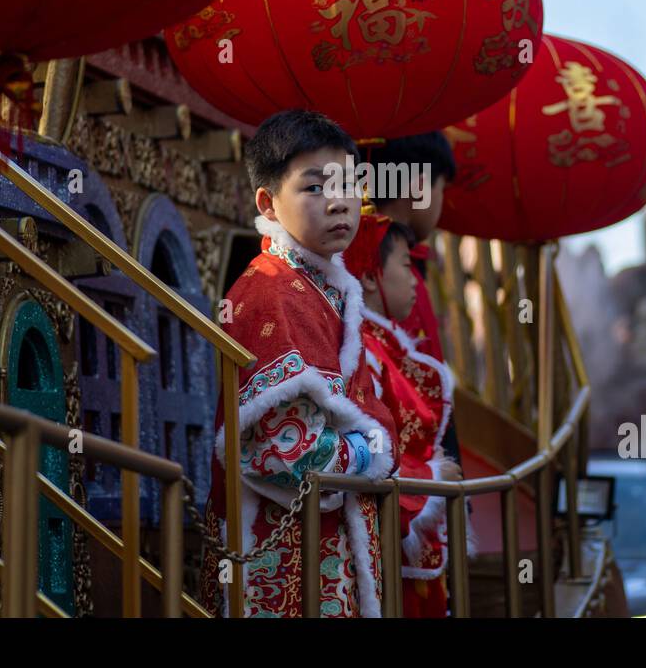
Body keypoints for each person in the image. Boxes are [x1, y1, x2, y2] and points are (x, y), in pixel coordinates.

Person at [198, 110, 398, 618]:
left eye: (349, 184)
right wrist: (371, 448)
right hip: (282, 552)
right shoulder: (270, 291)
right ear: (268, 201)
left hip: (327, 544)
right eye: (314, 187)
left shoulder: (321, 286)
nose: (339, 202)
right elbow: (289, 452)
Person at [343, 212, 462, 617]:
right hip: (383, 548)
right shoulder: (363, 352)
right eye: (406, 265)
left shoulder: (383, 349)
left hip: (406, 540)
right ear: (371, 277)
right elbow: (367, 447)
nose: (414, 280)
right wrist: (430, 479)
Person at [365, 132, 461, 464]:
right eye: (440, 190)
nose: (441, 203)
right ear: (419, 187)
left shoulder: (405, 264)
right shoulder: (386, 268)